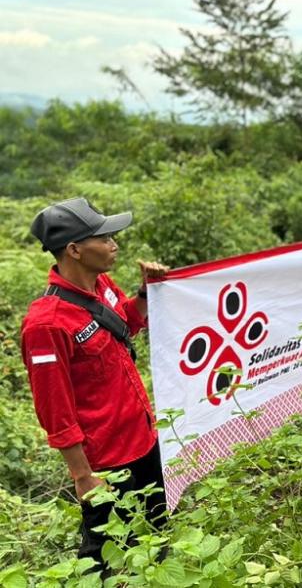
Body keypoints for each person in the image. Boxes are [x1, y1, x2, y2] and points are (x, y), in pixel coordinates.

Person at [20, 197, 170, 567]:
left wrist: (145, 292)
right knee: (107, 557)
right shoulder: (46, 325)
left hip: (145, 438)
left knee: (156, 534)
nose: (114, 244)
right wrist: (83, 476)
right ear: (74, 249)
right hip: (107, 461)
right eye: (103, 237)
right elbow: (55, 411)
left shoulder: (103, 285)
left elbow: (127, 324)